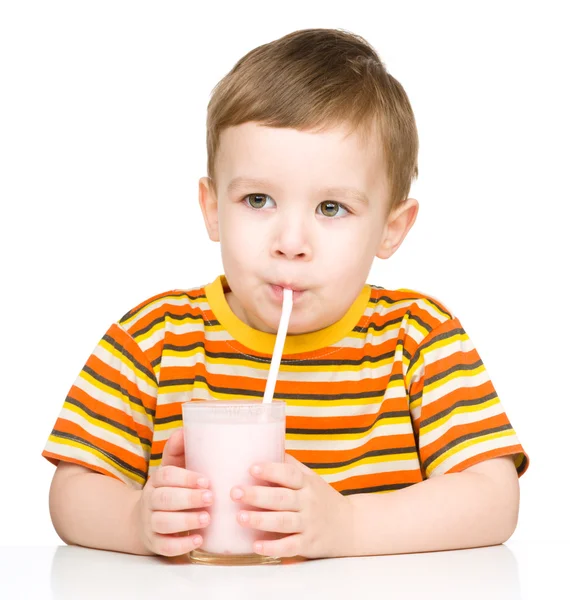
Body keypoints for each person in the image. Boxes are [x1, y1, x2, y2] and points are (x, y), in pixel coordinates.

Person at [43, 28, 529, 559]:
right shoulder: (155, 338)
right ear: (212, 208)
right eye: (258, 199)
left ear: (392, 228)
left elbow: (494, 497)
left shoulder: (418, 339)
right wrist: (134, 521)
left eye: (331, 209)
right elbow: (71, 492)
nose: (291, 244)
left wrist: (348, 527)